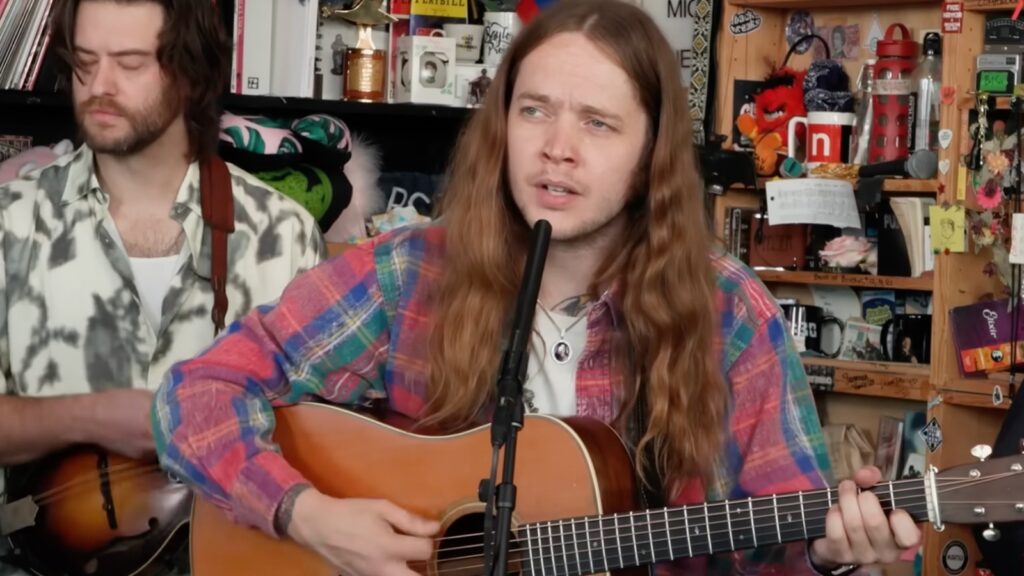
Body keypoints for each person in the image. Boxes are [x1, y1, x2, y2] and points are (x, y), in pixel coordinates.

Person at [152, 0, 921, 574]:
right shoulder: (408, 272)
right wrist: (307, 515)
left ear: (651, 152)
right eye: (534, 112)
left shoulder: (730, 316)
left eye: (597, 123)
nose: (557, 150)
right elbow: (195, 397)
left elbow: (778, 549)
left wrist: (833, 555)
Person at [0, 0, 324, 573]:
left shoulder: (284, 235)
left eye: (129, 64)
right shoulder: (10, 222)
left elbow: (323, 443)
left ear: (192, 72)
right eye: (84, 62)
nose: (99, 86)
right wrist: (92, 416)